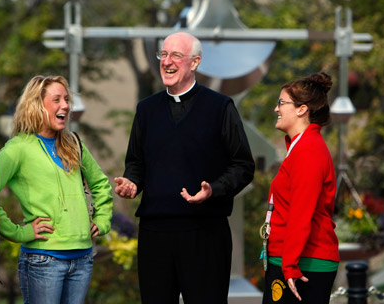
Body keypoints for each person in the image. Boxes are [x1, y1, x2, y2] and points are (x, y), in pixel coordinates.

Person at [115, 32, 255, 304]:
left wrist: (213, 190)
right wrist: (133, 182)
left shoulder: (220, 107)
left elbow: (243, 165)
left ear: (195, 63)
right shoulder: (146, 110)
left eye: (176, 55)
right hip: (155, 235)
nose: (166, 61)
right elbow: (136, 163)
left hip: (205, 234)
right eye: (163, 54)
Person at [0, 75, 113, 304]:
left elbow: (101, 183)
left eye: (67, 99)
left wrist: (102, 221)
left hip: (82, 258)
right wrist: (18, 232)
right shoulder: (17, 148)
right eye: (57, 99)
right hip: (43, 259)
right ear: (37, 105)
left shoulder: (74, 143)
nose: (66, 106)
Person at [260, 72, 339, 304]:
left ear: (301, 109)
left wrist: (290, 264)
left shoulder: (309, 151)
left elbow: (301, 213)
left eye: (281, 103)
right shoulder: (300, 147)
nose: (276, 109)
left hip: (303, 263)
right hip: (290, 259)